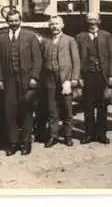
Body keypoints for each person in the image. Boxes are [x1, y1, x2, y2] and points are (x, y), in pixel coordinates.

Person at [0, 9, 42, 156]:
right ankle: (13, 143)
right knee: (10, 112)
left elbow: (37, 59)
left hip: (26, 81)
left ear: (20, 20)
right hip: (9, 82)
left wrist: (34, 77)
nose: (14, 23)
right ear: (7, 22)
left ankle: (26, 142)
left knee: (26, 111)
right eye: (11, 21)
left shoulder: (30, 37)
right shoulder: (2, 39)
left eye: (16, 20)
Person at [76, 13, 112, 145]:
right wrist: (78, 78)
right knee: (87, 106)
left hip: (102, 75)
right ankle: (89, 134)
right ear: (86, 21)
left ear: (99, 21)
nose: (92, 22)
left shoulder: (106, 36)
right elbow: (76, 60)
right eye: (90, 20)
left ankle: (101, 134)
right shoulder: (80, 37)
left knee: (102, 105)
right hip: (87, 75)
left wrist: (111, 75)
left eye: (94, 19)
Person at [42, 15, 80, 148]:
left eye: (57, 24)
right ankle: (54, 135)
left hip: (65, 79)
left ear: (62, 25)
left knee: (67, 108)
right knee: (52, 108)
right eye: (52, 24)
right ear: (49, 26)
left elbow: (76, 60)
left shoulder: (70, 40)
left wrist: (74, 78)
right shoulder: (45, 41)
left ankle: (68, 135)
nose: (54, 27)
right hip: (50, 78)